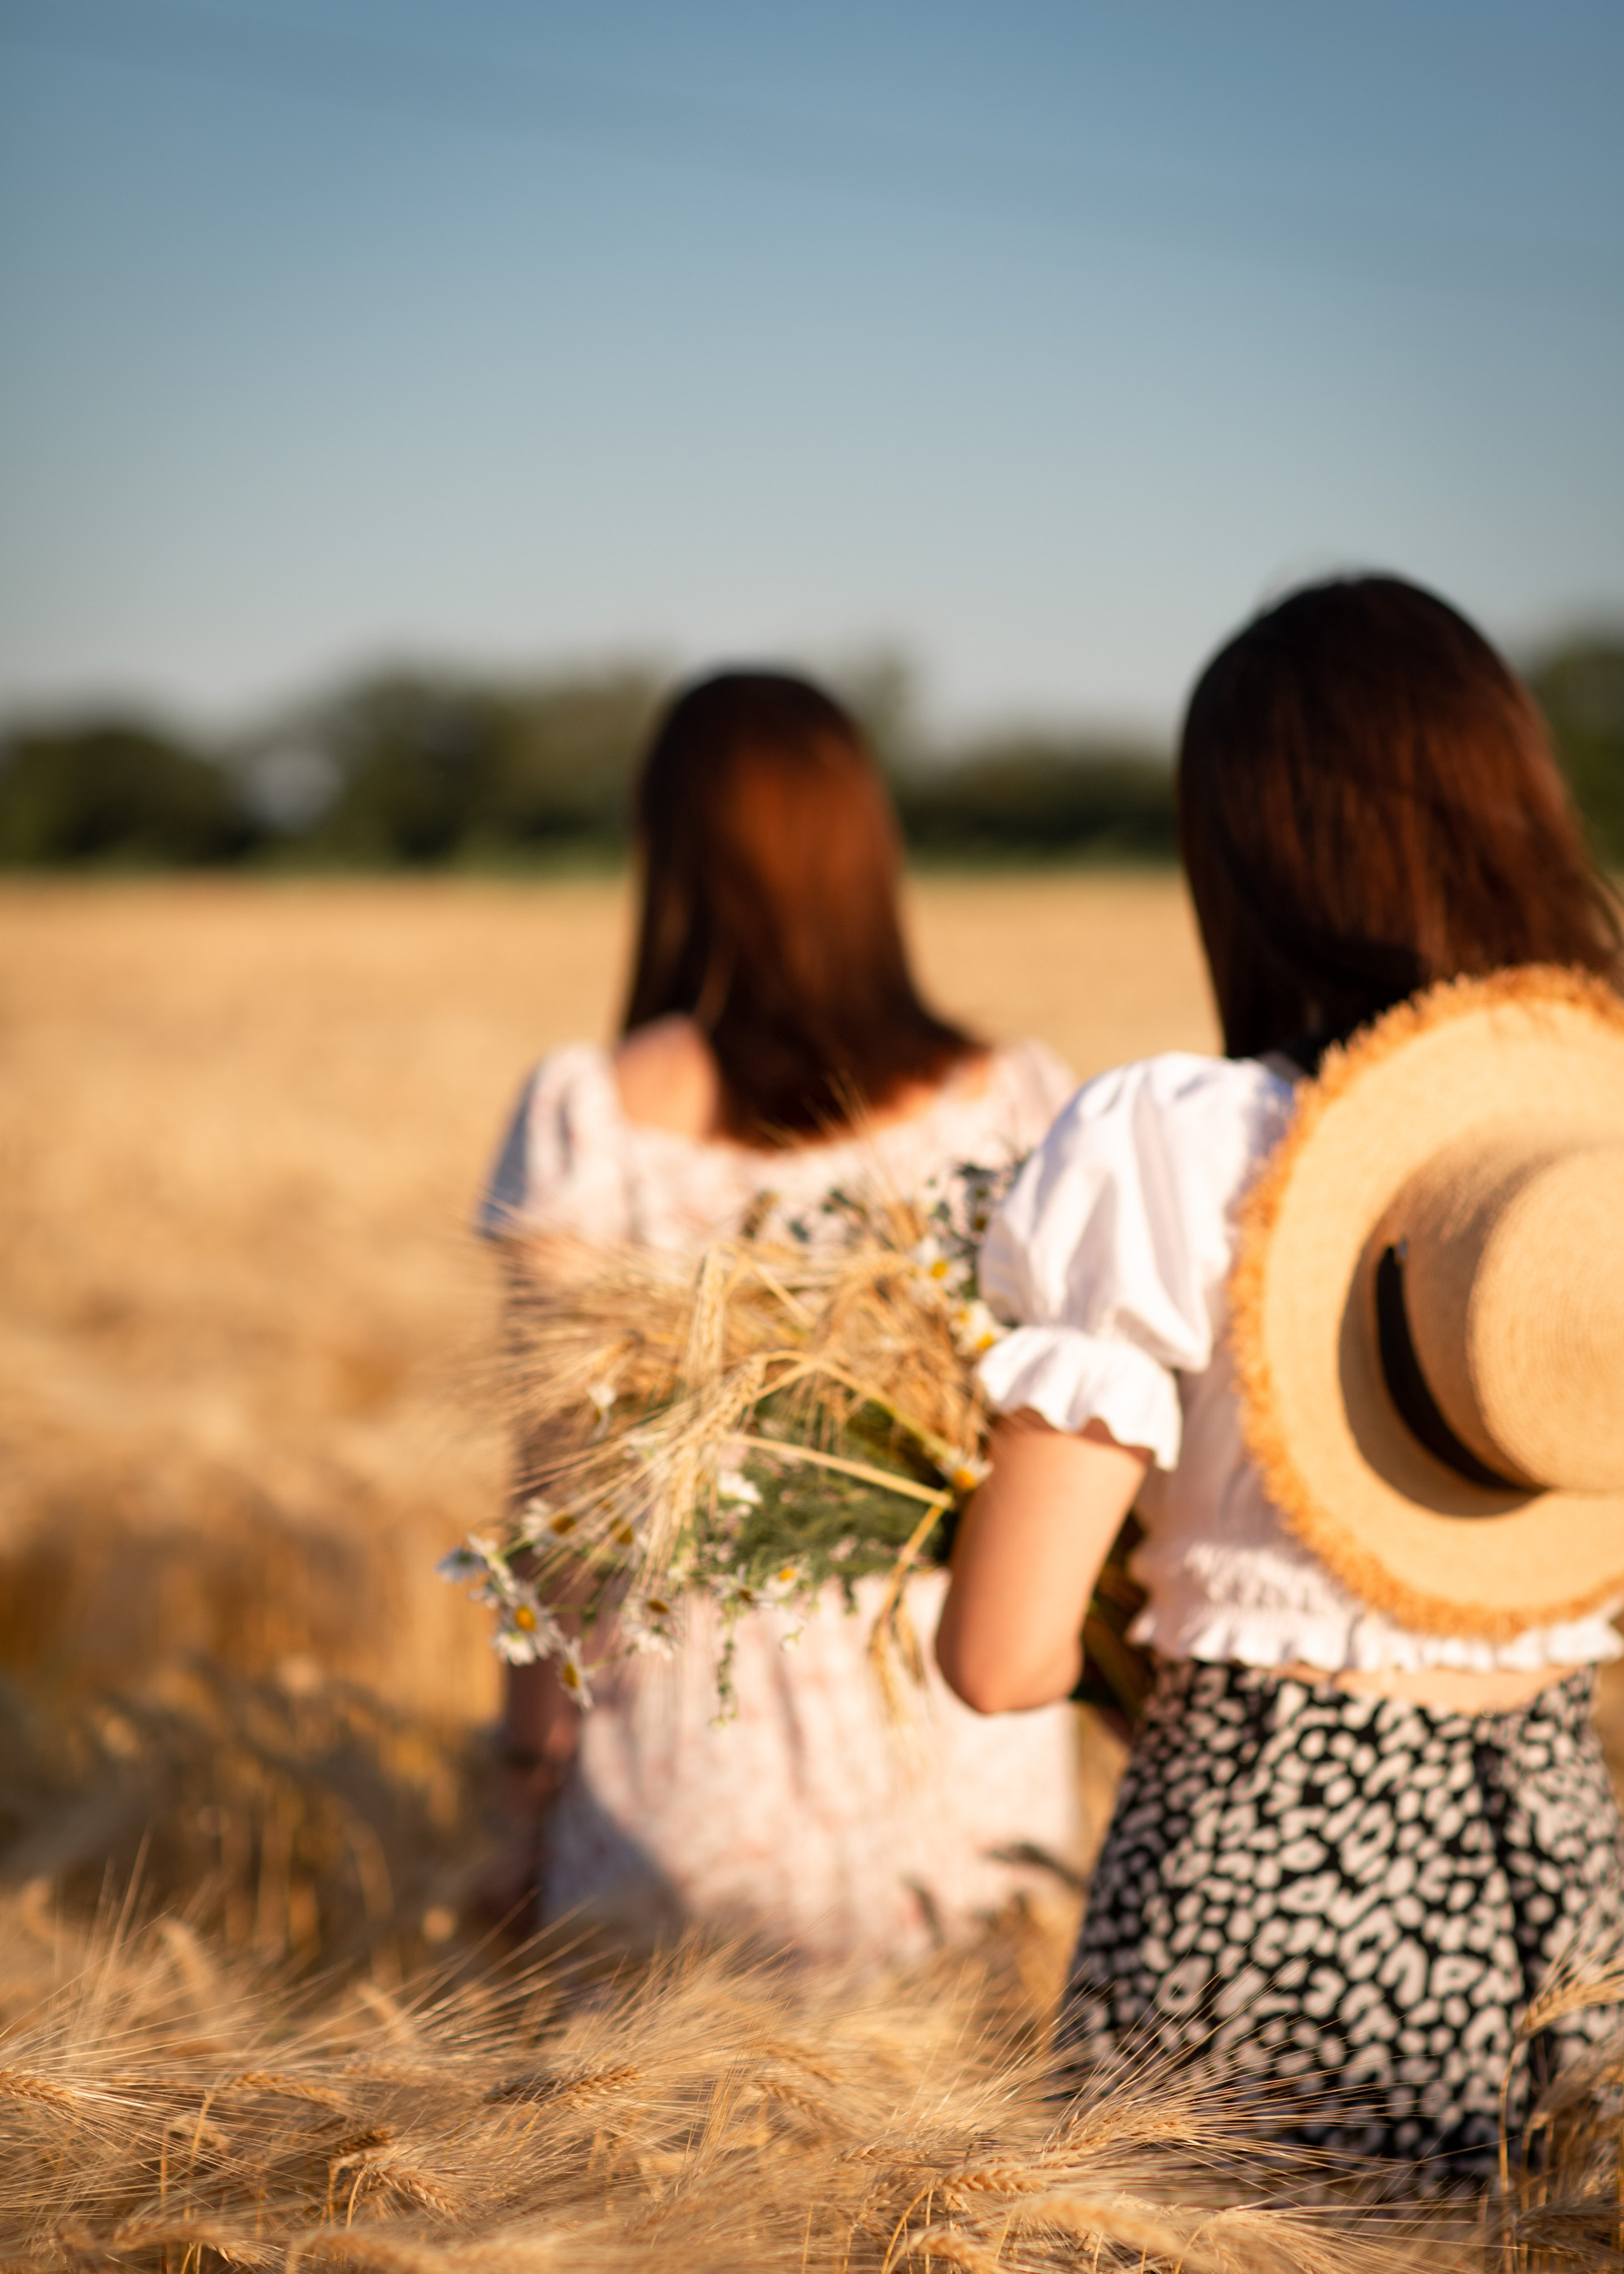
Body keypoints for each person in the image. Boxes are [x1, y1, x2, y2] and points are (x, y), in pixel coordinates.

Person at [936, 575, 1624, 2174]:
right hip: (1569, 1879)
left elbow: (1001, 1655)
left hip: (1261, 1881)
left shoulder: (1181, 1150)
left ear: (1248, 855)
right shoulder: (1590, 1167)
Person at [477, 669, 1084, 1965]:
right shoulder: (1020, 1100)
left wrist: (523, 1780)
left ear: (671, 855)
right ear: (868, 850)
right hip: (966, 1742)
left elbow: (561, 1493)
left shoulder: (591, 1117)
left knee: (648, 2161)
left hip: (687, 1762)